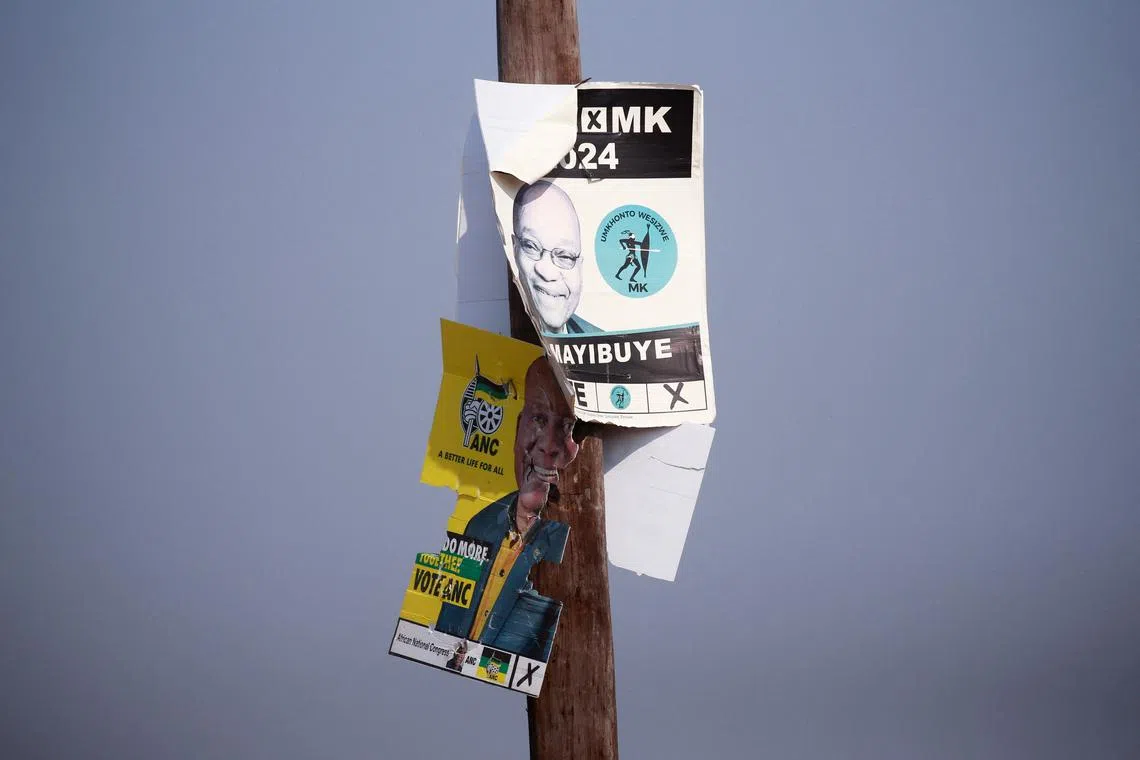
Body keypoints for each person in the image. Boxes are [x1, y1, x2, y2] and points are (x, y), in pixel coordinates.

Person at [434, 357, 579, 661]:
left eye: (568, 427)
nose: (548, 445)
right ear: (516, 429)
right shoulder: (478, 525)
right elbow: (444, 636)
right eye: (538, 419)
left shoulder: (571, 547)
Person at [511, 180, 598, 334]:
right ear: (514, 248)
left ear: (580, 267)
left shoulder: (601, 341)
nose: (548, 273)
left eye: (565, 256)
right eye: (531, 246)